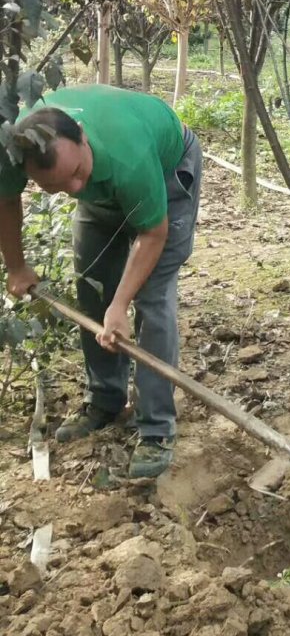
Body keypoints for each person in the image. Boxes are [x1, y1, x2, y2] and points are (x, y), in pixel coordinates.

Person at [0, 84, 202, 480]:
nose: (75, 190)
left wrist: (120, 305)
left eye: (76, 174)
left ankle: (157, 428)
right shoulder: (15, 150)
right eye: (56, 187)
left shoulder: (130, 157)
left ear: (83, 135)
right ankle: (106, 399)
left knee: (152, 299)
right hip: (109, 177)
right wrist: (16, 266)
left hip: (166, 167)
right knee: (92, 285)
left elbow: (152, 236)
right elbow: (5, 201)